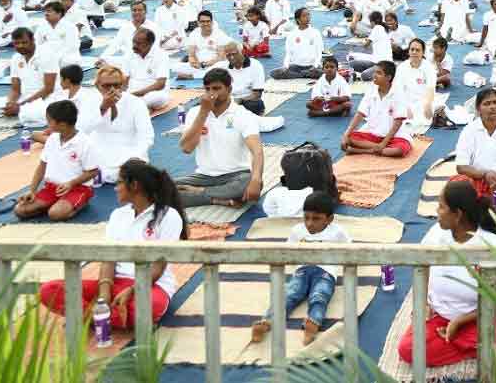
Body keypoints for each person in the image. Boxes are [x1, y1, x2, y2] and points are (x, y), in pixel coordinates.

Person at [39, 159, 186, 330]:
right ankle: (107, 317)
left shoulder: (168, 216)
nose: (115, 188)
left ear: (135, 185)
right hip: (114, 283)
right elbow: (108, 259)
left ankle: (92, 318)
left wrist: (131, 291)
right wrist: (104, 296)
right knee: (49, 290)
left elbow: (158, 267)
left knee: (148, 308)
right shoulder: (118, 215)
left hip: (150, 286)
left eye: (119, 182)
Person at [397, 180, 496, 366]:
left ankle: (462, 340)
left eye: (441, 207)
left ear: (458, 215)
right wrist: (422, 305)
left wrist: (460, 322)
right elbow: (421, 269)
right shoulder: (435, 234)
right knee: (408, 350)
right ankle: (486, 345)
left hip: (479, 316)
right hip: (439, 318)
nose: (436, 212)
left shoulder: (491, 245)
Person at [251, 192, 351, 346]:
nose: (310, 223)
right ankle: (266, 323)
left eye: (316, 219)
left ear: (329, 219)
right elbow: (288, 251)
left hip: (325, 273)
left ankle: (313, 324)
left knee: (319, 296)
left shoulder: (337, 232)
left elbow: (351, 250)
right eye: (306, 218)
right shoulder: (297, 230)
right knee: (289, 294)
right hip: (302, 271)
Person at [176, 68, 266, 208]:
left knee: (248, 184)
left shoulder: (242, 115)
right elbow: (186, 148)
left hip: (235, 175)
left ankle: (201, 193)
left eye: (217, 88)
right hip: (204, 176)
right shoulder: (195, 113)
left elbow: (257, 151)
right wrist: (203, 112)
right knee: (162, 188)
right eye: (208, 89)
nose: (212, 93)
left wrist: (256, 179)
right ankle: (217, 199)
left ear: (229, 89)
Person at [15, 100, 101, 221]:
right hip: (52, 188)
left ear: (62, 125)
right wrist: (32, 191)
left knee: (55, 214)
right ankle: (55, 203)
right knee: (20, 210)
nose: (47, 123)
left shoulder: (85, 143)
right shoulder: (52, 139)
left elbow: (93, 172)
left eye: (49, 121)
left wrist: (71, 183)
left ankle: (80, 202)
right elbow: (42, 166)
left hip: (77, 188)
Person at [83, 65, 154, 183]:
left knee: (132, 171)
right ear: (97, 86)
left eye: (116, 85)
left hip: (129, 151)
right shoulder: (90, 101)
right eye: (106, 86)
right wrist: (102, 108)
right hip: (98, 152)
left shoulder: (136, 103)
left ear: (123, 85)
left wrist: (136, 156)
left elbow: (146, 136)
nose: (112, 89)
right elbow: (82, 130)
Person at [339, 61, 412, 157]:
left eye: (379, 73)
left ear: (388, 78)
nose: (374, 75)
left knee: (399, 150)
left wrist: (384, 143)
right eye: (375, 72)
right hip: (372, 134)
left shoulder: (398, 93)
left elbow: (398, 121)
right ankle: (376, 150)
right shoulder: (371, 89)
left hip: (393, 137)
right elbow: (360, 113)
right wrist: (346, 134)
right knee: (349, 139)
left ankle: (363, 151)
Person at [0, 27, 57, 125]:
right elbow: (15, 89)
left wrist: (20, 105)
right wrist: (11, 103)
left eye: (24, 42)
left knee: (30, 114)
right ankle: (16, 111)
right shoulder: (16, 58)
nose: (20, 46)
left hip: (47, 99)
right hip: (23, 98)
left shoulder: (47, 54)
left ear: (33, 40)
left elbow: (49, 89)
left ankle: (19, 112)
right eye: (16, 43)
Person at [174, 10, 231, 80]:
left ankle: (193, 76)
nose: (205, 24)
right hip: (198, 66)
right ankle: (201, 74)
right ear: (198, 23)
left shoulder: (219, 34)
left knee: (224, 65)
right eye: (203, 22)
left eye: (208, 21)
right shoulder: (194, 34)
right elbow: (191, 55)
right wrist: (193, 62)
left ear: (212, 22)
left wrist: (204, 64)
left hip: (214, 64)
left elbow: (221, 57)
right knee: (176, 66)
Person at [125, 28, 171, 111]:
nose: (134, 46)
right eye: (133, 42)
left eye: (138, 43)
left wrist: (135, 94)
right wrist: (121, 93)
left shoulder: (161, 55)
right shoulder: (129, 54)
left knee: (155, 97)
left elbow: (160, 84)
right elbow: (125, 79)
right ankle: (139, 108)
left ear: (150, 44)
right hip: (132, 93)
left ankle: (138, 107)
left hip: (152, 94)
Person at [271, 8, 323, 80]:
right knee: (274, 73)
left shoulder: (315, 32)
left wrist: (316, 66)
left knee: (324, 72)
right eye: (304, 16)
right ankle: (304, 75)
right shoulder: (292, 34)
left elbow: (319, 53)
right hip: (296, 66)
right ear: (298, 19)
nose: (308, 17)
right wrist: (285, 66)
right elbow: (288, 53)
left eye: (308, 15)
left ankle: (302, 74)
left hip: (312, 66)